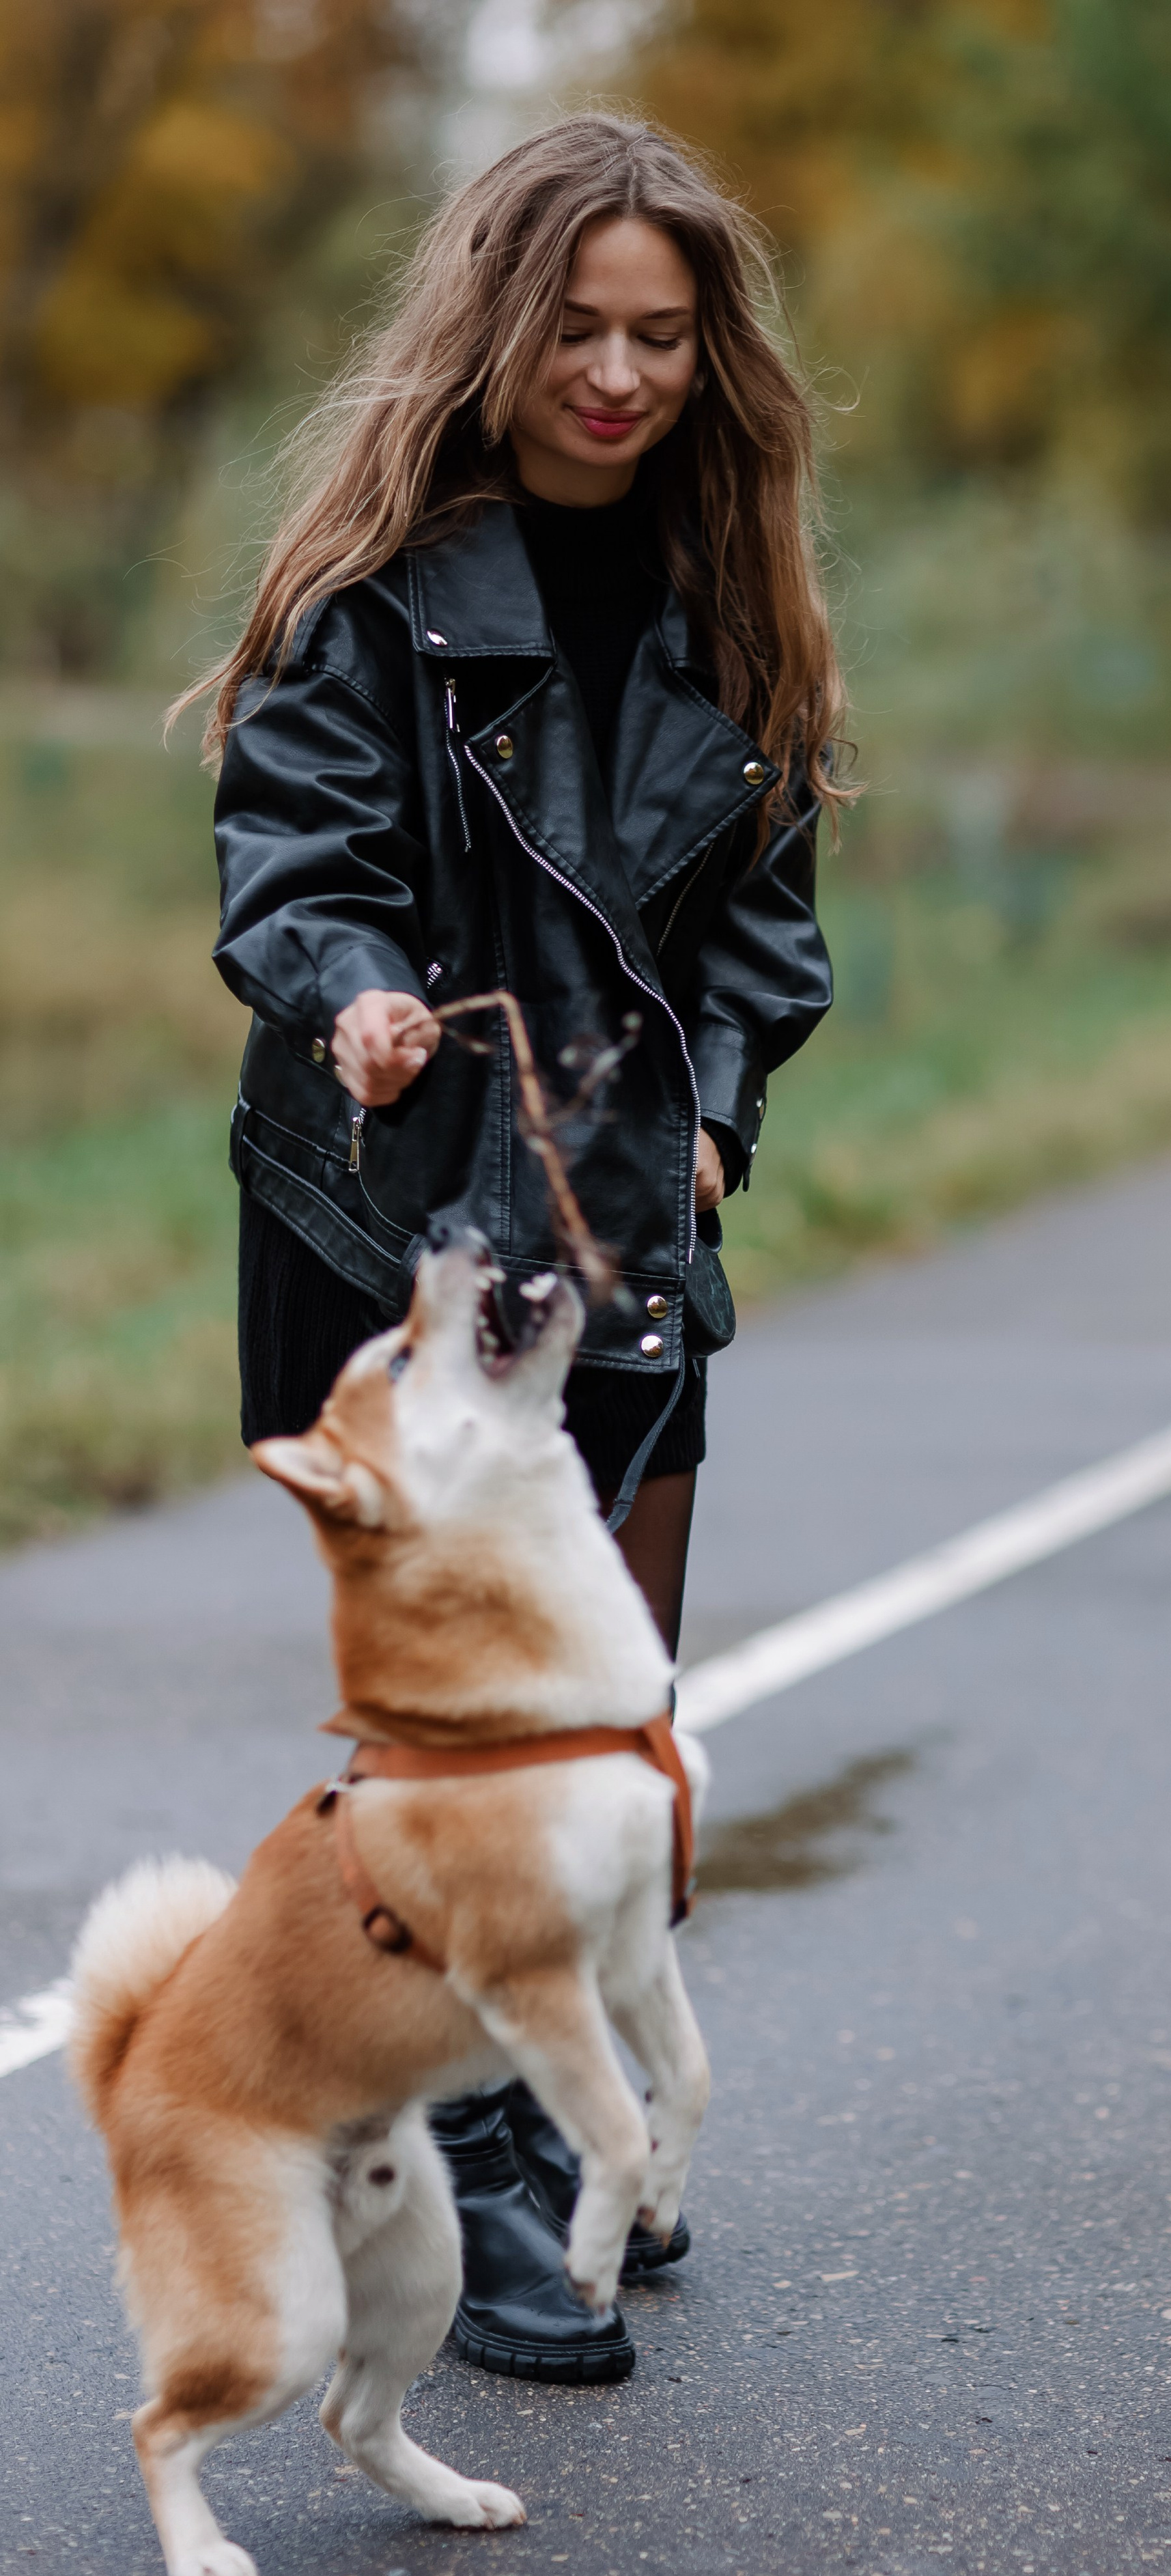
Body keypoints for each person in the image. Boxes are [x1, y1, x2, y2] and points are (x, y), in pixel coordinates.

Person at [184, 111, 848, 2385]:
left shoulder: (730, 596)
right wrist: (355, 991)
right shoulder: (375, 591)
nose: (621, 375)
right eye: (579, 328)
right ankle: (459, 2143)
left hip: (625, 1209)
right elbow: (295, 860)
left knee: (617, 1707)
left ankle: (549, 2105)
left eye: (661, 336)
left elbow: (764, 932)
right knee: (472, 1725)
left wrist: (725, 1112)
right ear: (495, 324)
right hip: (393, 1205)